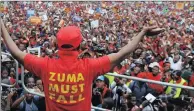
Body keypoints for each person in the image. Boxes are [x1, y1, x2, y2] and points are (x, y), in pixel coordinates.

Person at [1, 17, 163, 111]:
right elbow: (122, 53)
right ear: (79, 46)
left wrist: (1, 24)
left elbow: (16, 52)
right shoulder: (89, 66)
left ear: (57, 45)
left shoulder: (45, 65)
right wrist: (142, 32)